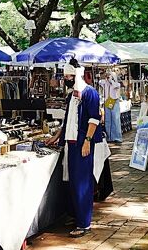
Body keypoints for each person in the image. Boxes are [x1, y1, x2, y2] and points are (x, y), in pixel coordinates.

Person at [45, 59, 101, 238]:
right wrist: (56, 137)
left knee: (82, 183)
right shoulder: (71, 96)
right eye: (65, 76)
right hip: (70, 143)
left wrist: (87, 141)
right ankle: (75, 214)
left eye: (69, 76)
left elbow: (94, 119)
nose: (67, 79)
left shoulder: (90, 93)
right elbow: (67, 121)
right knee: (70, 181)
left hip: (81, 143)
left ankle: (84, 223)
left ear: (77, 75)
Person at [99, 72, 122, 144]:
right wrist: (105, 77)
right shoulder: (105, 83)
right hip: (107, 101)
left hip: (114, 101)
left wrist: (111, 80)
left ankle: (117, 137)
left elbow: (116, 85)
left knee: (115, 120)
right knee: (108, 120)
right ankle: (109, 137)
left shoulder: (116, 84)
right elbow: (100, 82)